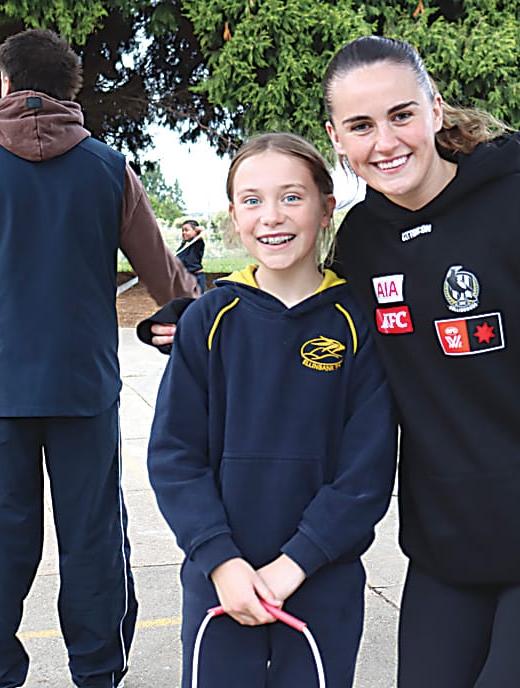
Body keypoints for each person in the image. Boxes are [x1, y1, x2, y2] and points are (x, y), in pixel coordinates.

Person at [322, 35, 520, 688]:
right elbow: (323, 376)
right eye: (361, 126)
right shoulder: (359, 244)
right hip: (446, 551)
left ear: (435, 110)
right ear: (337, 139)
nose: (385, 142)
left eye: (401, 114)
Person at [0, 28, 198, 688]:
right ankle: (98, 675)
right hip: (83, 391)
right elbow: (167, 281)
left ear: (6, 83)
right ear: (72, 89)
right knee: (93, 542)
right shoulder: (108, 167)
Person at [144, 133, 397, 688]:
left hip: (321, 580)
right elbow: (174, 457)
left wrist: (295, 564)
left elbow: (366, 473)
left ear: (326, 207)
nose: (271, 217)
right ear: (233, 216)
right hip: (220, 582)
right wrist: (221, 560)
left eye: (292, 197)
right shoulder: (207, 321)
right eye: (252, 200)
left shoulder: (358, 325)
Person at [177, 218, 207, 293]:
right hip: (186, 278)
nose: (184, 232)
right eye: (182, 231)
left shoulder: (198, 243)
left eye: (187, 230)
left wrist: (196, 230)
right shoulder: (184, 246)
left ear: (196, 232)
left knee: (196, 301)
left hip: (197, 278)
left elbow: (201, 230)